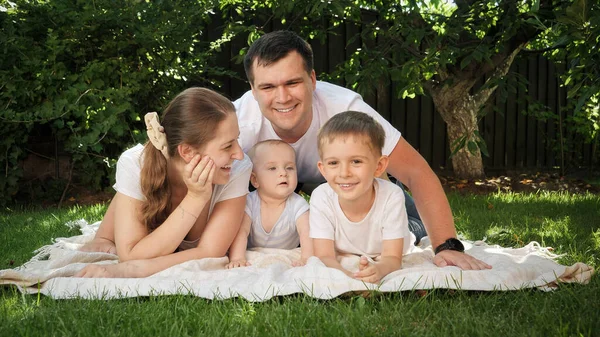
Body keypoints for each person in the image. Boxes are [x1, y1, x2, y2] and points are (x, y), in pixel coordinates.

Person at [233, 30, 491, 270]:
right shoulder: (239, 123)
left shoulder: (346, 108)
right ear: (253, 91)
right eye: (268, 87)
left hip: (348, 179)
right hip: (271, 184)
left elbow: (415, 171)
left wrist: (447, 245)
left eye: (292, 82)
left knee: (413, 230)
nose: (282, 97)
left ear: (312, 80)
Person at [76, 87, 252, 278]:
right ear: (187, 152)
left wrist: (127, 270)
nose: (239, 153)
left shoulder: (237, 169)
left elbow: (210, 251)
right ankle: (104, 234)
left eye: (237, 140)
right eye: (227, 146)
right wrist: (196, 197)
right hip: (147, 192)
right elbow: (131, 255)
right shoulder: (135, 163)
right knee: (137, 185)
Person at [310, 111, 415, 283]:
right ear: (322, 169)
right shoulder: (321, 197)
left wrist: (379, 269)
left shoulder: (391, 196)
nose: (344, 173)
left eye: (356, 161)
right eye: (333, 163)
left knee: (417, 230)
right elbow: (324, 256)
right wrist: (349, 277)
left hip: (405, 235)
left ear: (379, 166)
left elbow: (392, 259)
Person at [226, 140, 312, 269]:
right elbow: (241, 232)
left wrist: (306, 258)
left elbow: (306, 233)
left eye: (289, 167)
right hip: (253, 252)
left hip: (287, 253)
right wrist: (238, 258)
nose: (283, 173)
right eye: (272, 168)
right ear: (255, 180)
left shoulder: (298, 204)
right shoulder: (249, 202)